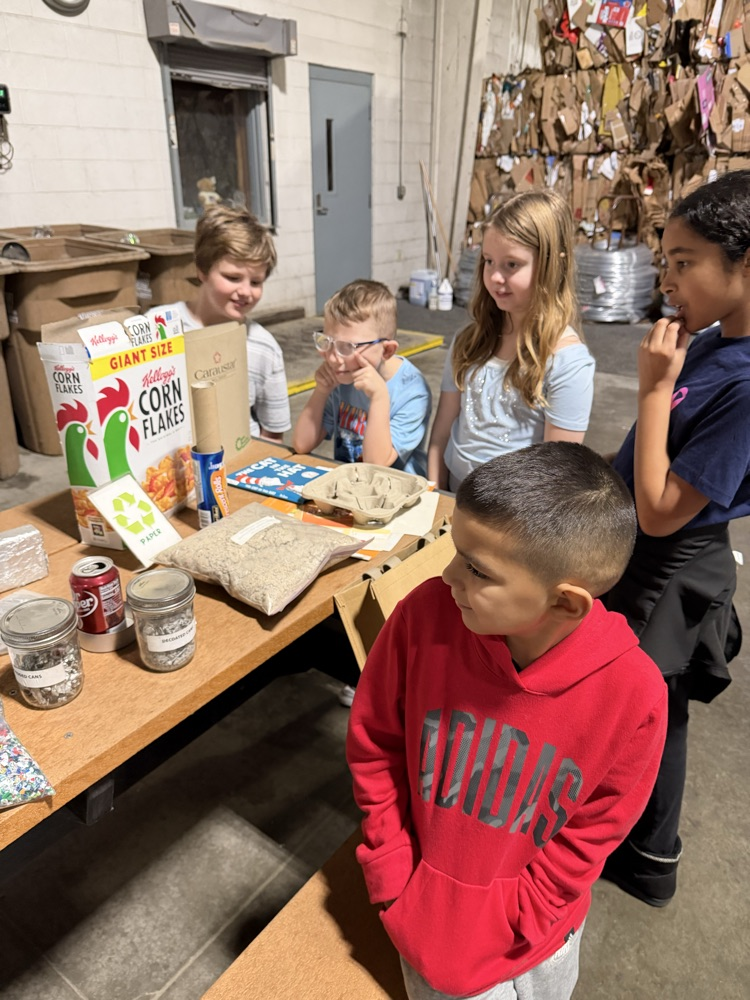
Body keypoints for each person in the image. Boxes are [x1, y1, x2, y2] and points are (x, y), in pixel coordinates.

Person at [347, 442, 667, 1000]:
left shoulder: (634, 695)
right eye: (455, 549)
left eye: (477, 569)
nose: (448, 575)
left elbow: (599, 825)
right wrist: (392, 872)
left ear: (566, 603)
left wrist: (530, 913)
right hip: (416, 915)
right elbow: (376, 742)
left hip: (536, 943)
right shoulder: (423, 616)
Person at [601, 170, 750, 908]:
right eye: (665, 261)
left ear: (746, 265)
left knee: (654, 715)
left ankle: (650, 860)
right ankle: (631, 840)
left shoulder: (748, 384)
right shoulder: (719, 340)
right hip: (645, 554)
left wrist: (656, 386)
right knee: (640, 707)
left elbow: (663, 507)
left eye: (684, 262)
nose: (667, 280)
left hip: (675, 565)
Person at [427, 189, 594, 491]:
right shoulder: (468, 341)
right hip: (451, 496)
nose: (494, 277)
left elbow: (556, 475)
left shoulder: (568, 362)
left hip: (512, 521)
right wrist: (434, 493)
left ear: (551, 265)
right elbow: (440, 435)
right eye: (489, 261)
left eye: (511, 265)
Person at [146, 204, 291, 442]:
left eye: (256, 282)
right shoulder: (156, 327)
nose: (246, 291)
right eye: (232, 278)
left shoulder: (264, 347)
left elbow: (273, 433)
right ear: (202, 271)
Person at [292, 279, 431, 476]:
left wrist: (379, 397)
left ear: (387, 350)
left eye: (348, 347)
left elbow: (375, 465)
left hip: (394, 493)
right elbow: (301, 444)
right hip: (351, 486)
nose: (332, 358)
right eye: (328, 342)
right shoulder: (342, 378)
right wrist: (321, 391)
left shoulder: (413, 391)